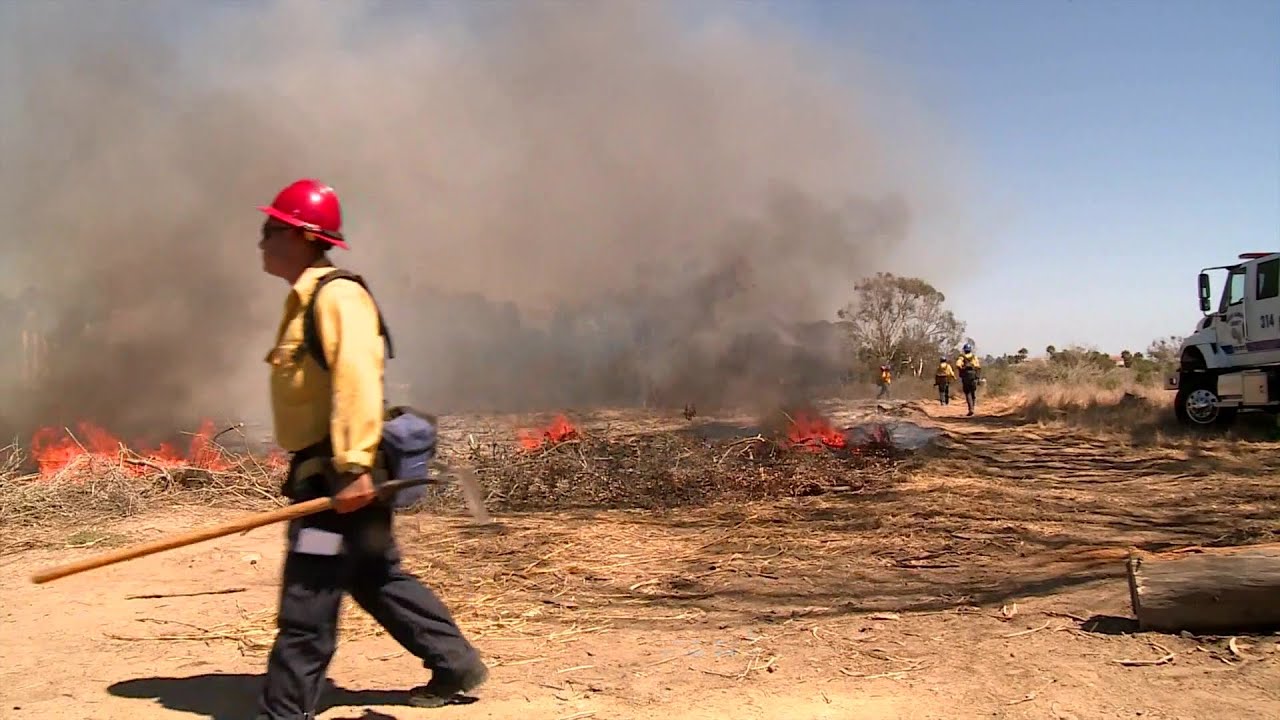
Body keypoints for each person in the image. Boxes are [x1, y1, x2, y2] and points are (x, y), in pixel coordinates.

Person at [254, 178, 488, 719]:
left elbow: (358, 381)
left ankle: (283, 713)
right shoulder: (306, 301)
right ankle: (454, 663)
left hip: (339, 472)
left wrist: (353, 467)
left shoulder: (337, 297)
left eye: (272, 230)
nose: (262, 240)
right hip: (330, 470)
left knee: (308, 601)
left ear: (304, 237)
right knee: (372, 572)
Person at [955, 343, 982, 416]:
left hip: (966, 376)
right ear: (970, 350)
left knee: (967, 392)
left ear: (964, 350)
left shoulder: (962, 357)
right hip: (973, 375)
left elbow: (957, 364)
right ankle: (972, 407)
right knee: (973, 392)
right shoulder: (974, 357)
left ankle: (971, 409)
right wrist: (978, 377)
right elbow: (978, 366)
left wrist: (962, 369)